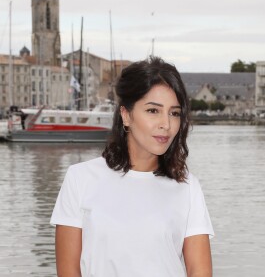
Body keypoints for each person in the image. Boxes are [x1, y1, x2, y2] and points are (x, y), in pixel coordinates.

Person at [50, 56, 214, 277]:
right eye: (153, 111)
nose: (166, 124)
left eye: (174, 113)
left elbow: (199, 272)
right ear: (126, 115)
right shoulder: (80, 179)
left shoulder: (187, 186)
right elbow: (69, 271)